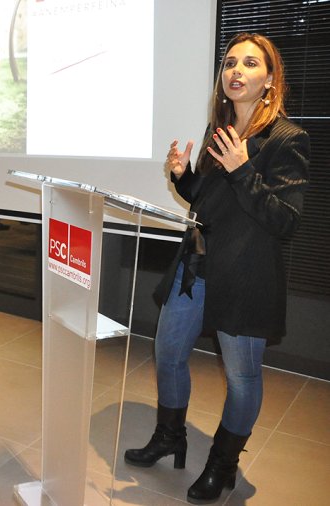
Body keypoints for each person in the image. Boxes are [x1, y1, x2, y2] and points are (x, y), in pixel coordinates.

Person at [123, 33, 309, 504]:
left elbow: (284, 221)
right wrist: (183, 176)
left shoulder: (288, 139)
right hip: (196, 266)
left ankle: (223, 465)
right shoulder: (218, 131)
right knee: (167, 354)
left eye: (250, 64)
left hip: (246, 277)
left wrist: (244, 169)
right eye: (230, 63)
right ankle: (170, 437)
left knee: (243, 377)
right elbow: (207, 202)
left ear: (269, 80)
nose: (236, 71)